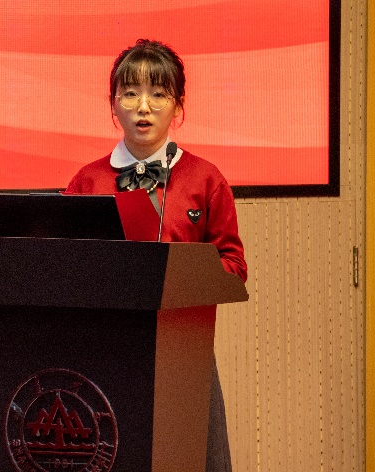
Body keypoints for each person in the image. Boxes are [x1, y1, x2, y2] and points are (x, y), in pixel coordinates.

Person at [65, 39, 247, 471]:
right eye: (130, 93)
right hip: (103, 352)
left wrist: (181, 275)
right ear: (113, 103)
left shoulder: (206, 179)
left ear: (178, 104)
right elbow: (64, 264)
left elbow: (234, 266)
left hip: (185, 351)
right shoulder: (87, 181)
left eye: (158, 94)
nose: (143, 107)